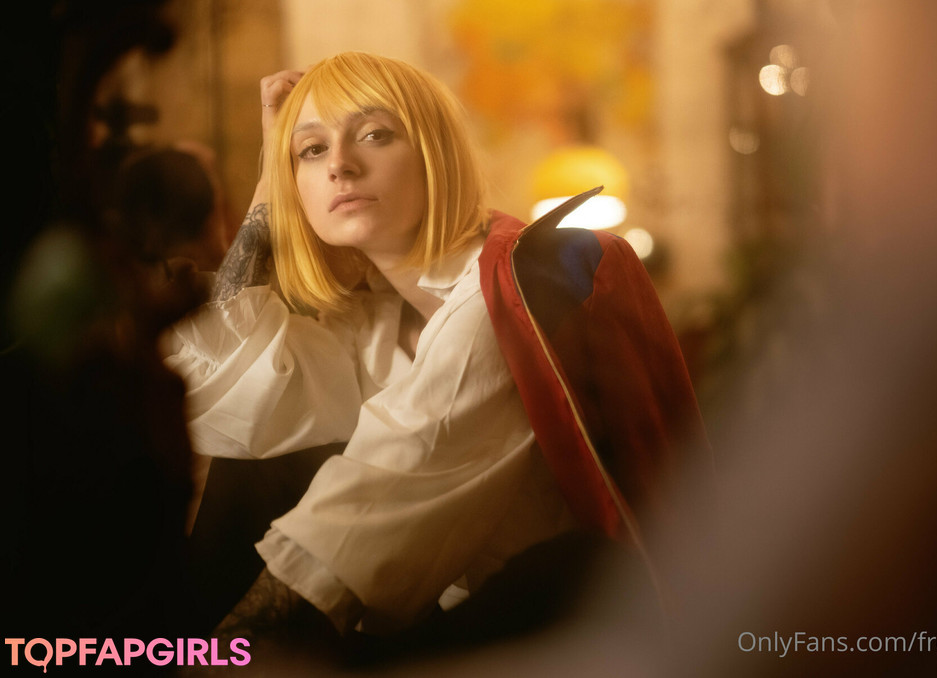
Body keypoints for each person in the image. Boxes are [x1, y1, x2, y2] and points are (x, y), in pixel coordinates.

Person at [162, 51, 707, 659]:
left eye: (375, 135)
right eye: (311, 150)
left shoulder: (507, 288)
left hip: (575, 634)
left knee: (563, 570)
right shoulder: (373, 319)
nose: (339, 164)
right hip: (448, 627)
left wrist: (224, 654)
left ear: (433, 154)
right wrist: (270, 182)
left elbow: (381, 488)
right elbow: (222, 394)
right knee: (254, 460)